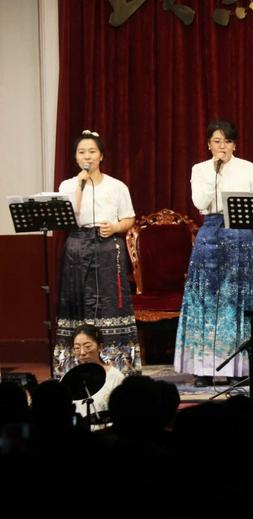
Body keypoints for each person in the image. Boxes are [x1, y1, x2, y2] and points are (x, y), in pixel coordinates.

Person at [174, 120, 253, 387]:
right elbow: (200, 202)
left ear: (234, 144)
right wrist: (215, 173)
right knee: (206, 302)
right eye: (217, 141)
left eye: (227, 141)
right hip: (211, 235)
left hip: (241, 236)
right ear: (209, 144)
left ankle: (240, 368)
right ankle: (203, 370)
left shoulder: (248, 168)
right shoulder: (201, 169)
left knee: (238, 304)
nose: (222, 146)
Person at [53, 130, 140, 378]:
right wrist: (80, 184)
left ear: (101, 155)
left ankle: (118, 368)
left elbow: (129, 218)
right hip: (77, 247)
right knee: (77, 304)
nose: (87, 156)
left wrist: (114, 227)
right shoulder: (68, 185)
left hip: (107, 247)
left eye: (92, 151)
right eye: (81, 152)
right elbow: (71, 214)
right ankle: (73, 367)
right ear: (75, 158)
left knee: (111, 305)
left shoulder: (116, 185)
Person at [67, 324, 126, 419]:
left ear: (100, 347)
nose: (82, 352)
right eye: (77, 348)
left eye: (87, 346)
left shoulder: (116, 377)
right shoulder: (69, 378)